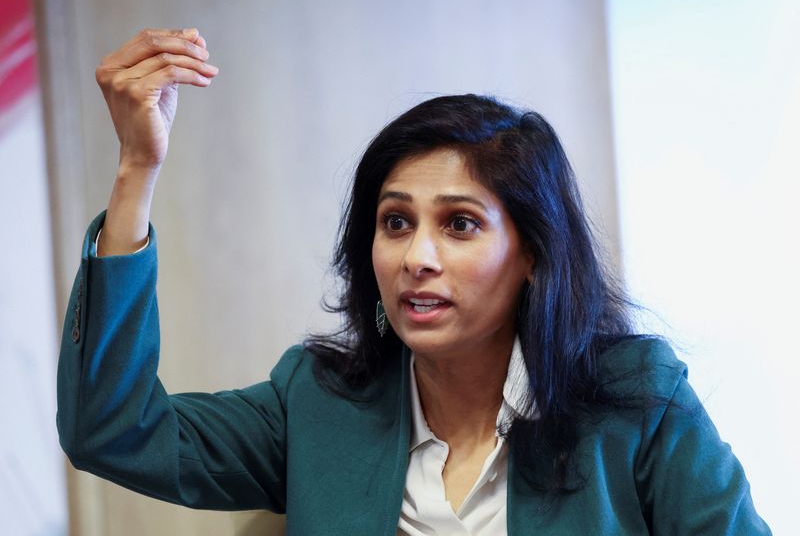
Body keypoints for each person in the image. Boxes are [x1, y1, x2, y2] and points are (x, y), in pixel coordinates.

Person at [56, 28, 771, 535]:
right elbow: (110, 431)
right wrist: (136, 171)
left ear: (533, 255)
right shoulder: (317, 403)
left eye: (459, 224)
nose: (415, 257)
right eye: (395, 223)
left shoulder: (635, 398)